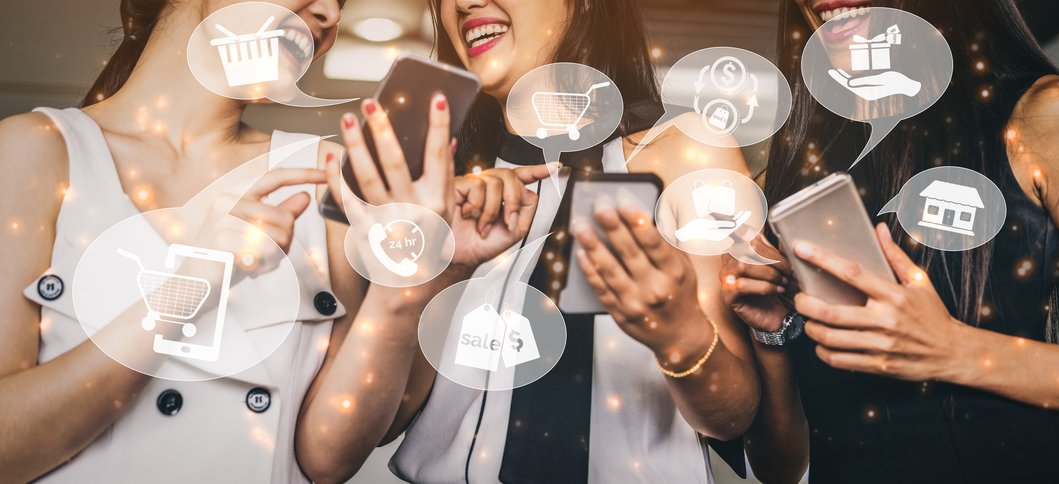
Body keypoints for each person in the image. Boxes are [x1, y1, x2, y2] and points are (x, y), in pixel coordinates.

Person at [300, 0, 764, 482]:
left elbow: (734, 417)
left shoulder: (686, 152)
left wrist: (679, 334)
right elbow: (381, 424)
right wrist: (440, 271)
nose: (464, 3)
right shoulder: (440, 192)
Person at [724, 1, 1059, 482]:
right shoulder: (793, 175)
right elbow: (781, 467)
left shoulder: (1045, 116)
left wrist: (955, 351)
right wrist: (772, 334)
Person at [0, 0, 355, 482]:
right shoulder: (31, 152)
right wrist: (189, 285)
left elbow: (344, 448)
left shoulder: (325, 178)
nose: (332, 14)